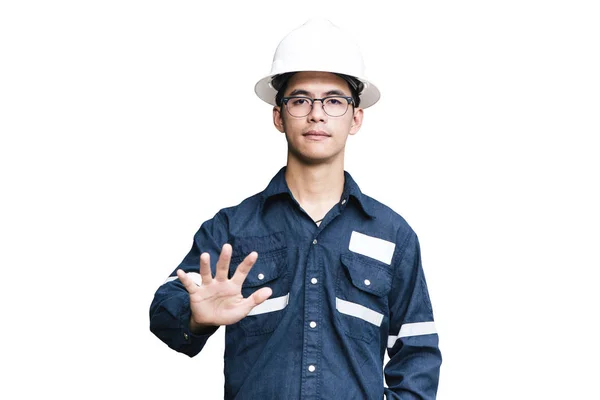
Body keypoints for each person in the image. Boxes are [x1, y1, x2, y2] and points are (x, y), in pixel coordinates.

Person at [150, 18, 442, 399]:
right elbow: (164, 310)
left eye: (334, 101)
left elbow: (418, 353)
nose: (316, 114)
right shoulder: (231, 229)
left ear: (356, 117)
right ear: (278, 115)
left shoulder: (392, 235)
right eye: (300, 99)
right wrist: (195, 318)